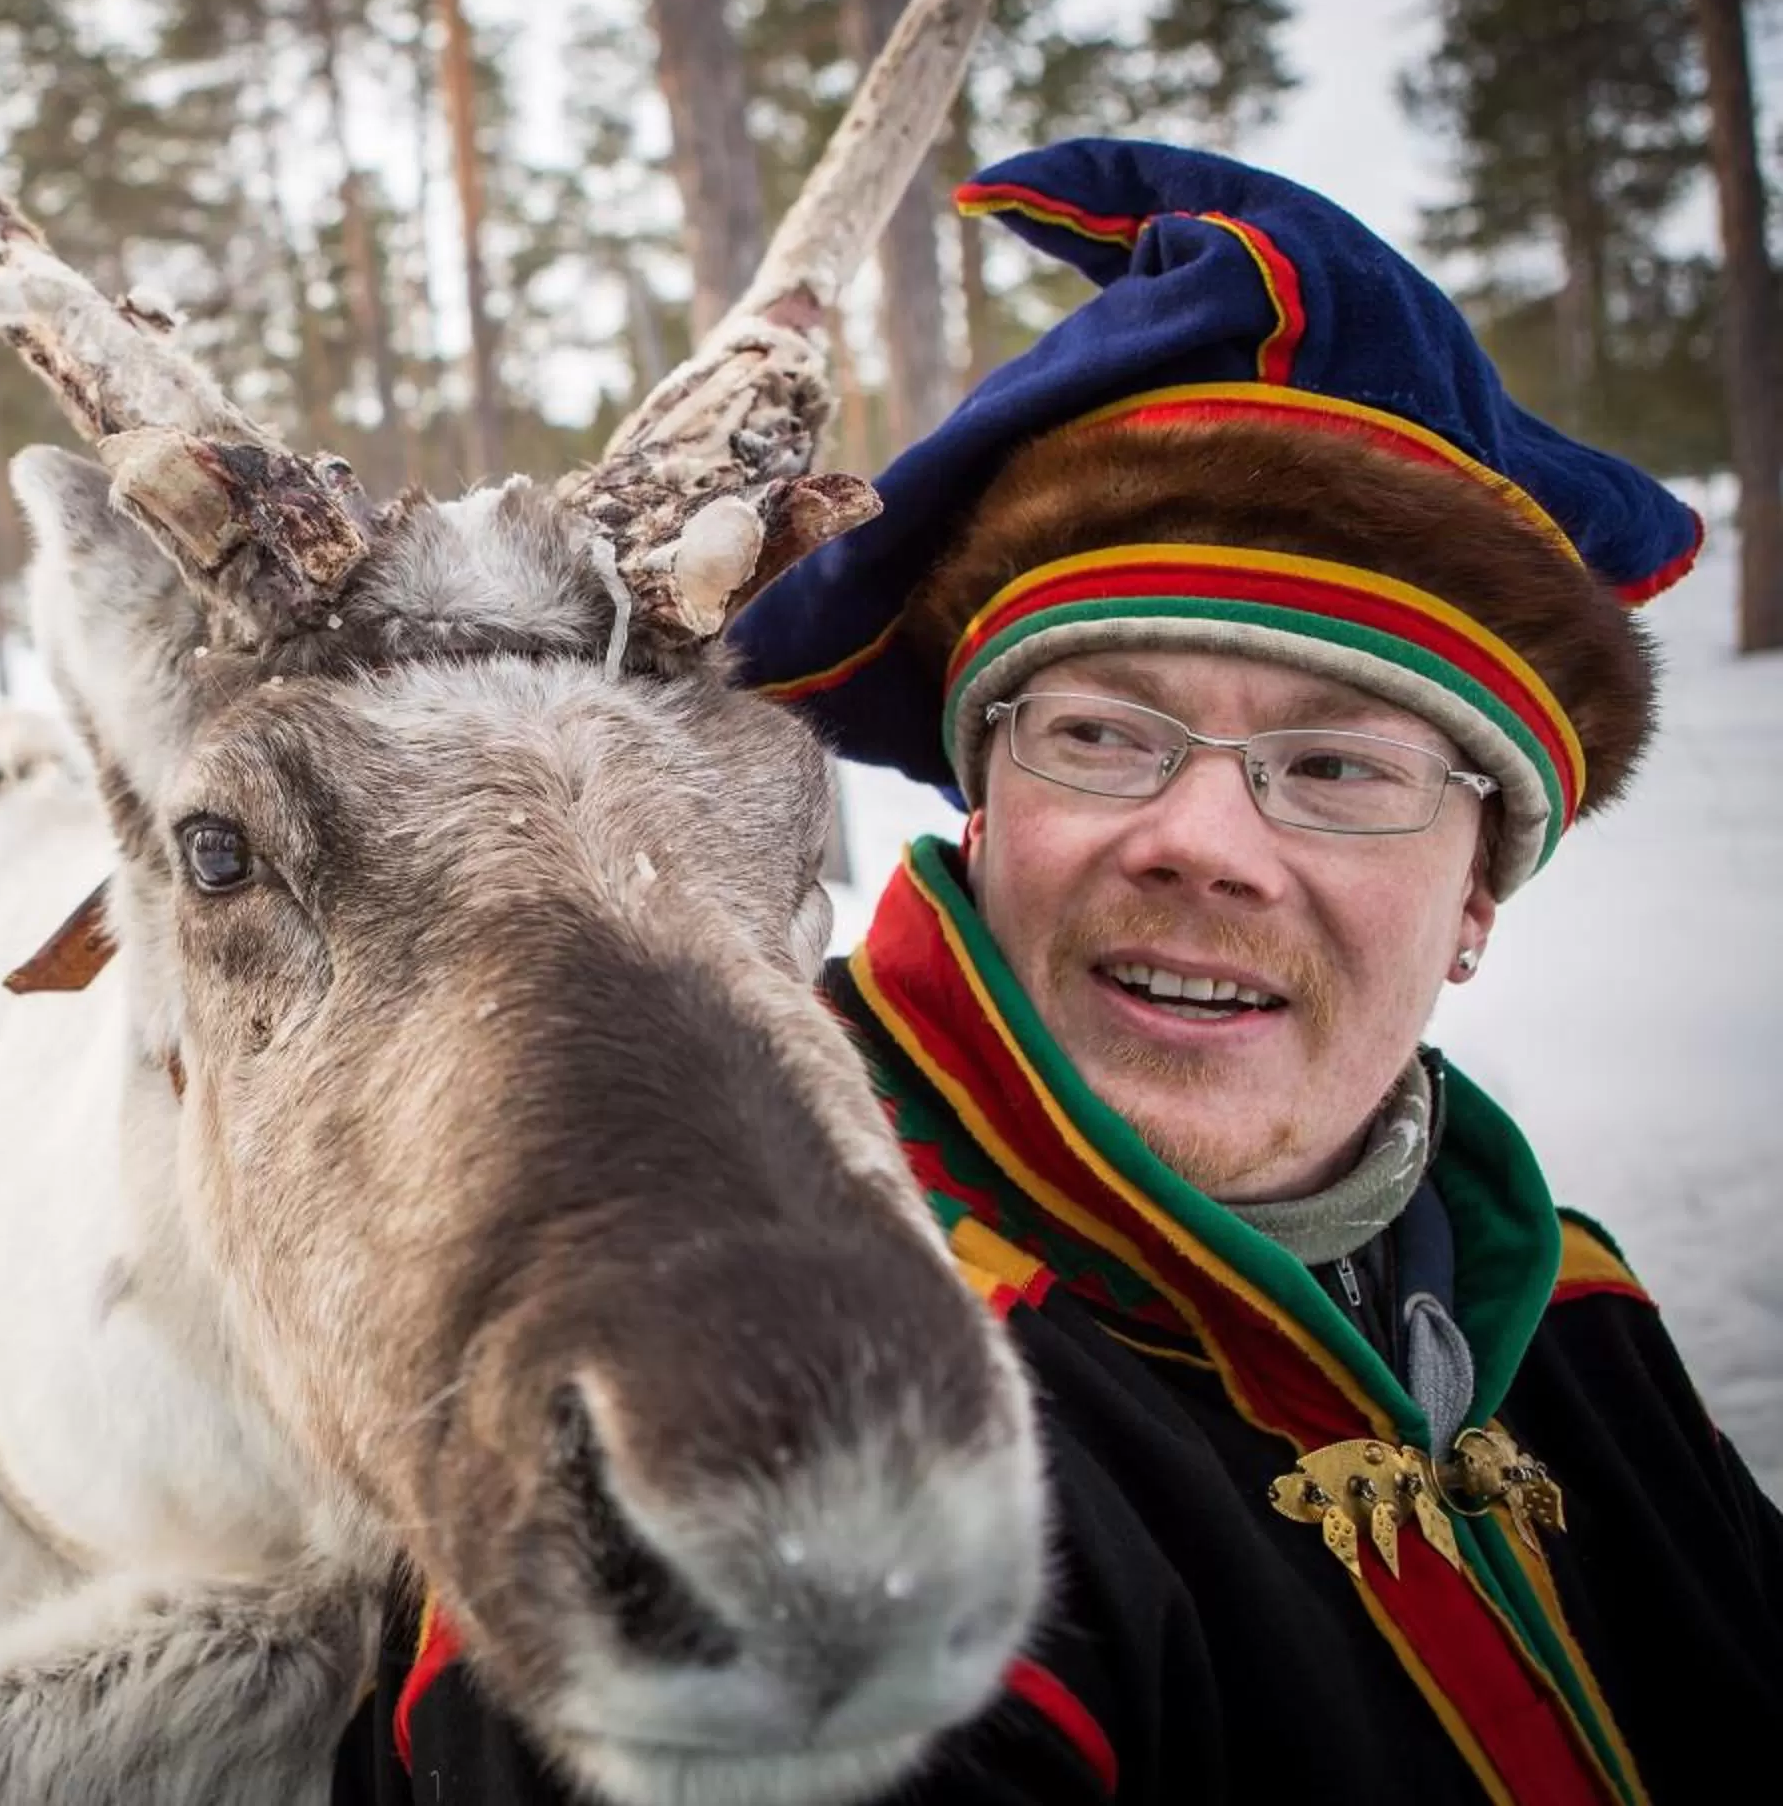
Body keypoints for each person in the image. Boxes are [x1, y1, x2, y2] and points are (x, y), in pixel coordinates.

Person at [340, 142, 1783, 1803]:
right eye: (1103, 734)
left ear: (1476, 895)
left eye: (1337, 770)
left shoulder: (1561, 1303)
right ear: (985, 801)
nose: (1205, 841)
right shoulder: (769, 1369)